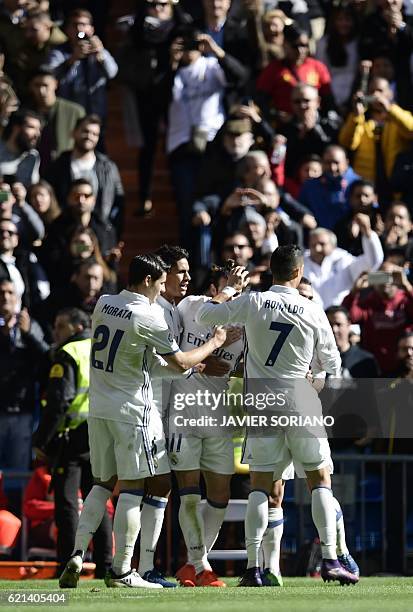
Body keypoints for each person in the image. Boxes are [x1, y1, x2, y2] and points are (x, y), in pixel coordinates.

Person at [58, 254, 228, 589]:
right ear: (148, 281)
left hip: (99, 409)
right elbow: (178, 363)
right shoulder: (148, 315)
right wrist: (214, 343)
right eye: (161, 282)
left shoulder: (104, 303)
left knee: (102, 483)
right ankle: (122, 571)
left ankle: (77, 552)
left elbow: (141, 358)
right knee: (133, 488)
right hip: (133, 411)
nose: (163, 288)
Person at [196, 245, 359, 586]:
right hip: (300, 398)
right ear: (299, 273)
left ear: (272, 271)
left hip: (261, 401)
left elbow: (205, 317)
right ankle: (330, 558)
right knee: (319, 481)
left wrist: (228, 290)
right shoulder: (311, 308)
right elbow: (333, 363)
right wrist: (315, 372)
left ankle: (253, 568)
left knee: (259, 486)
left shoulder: (253, 301)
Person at [171, 265, 243, 588]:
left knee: (220, 495)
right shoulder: (191, 306)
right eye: (230, 288)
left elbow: (225, 369)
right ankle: (202, 567)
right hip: (183, 413)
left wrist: (211, 359)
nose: (236, 296)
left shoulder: (241, 326)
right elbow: (204, 323)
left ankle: (191, 565)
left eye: (240, 292)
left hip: (218, 416)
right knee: (188, 494)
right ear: (214, 287)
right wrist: (209, 351)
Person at [33, 307, 113, 576]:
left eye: (60, 326)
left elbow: (58, 402)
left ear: (77, 328)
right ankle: (105, 565)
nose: (55, 332)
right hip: (103, 433)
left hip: (73, 439)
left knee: (67, 504)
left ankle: (66, 564)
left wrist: (40, 441)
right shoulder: (103, 349)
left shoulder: (68, 354)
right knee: (98, 500)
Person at [44, 115, 124, 235]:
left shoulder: (108, 167)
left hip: (99, 233)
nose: (89, 136)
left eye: (94, 134)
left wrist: (112, 230)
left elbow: (119, 202)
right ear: (74, 132)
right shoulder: (58, 165)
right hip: (63, 232)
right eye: (85, 131)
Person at [339, 77, 413, 204]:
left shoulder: (397, 118)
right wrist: (356, 115)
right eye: (372, 91)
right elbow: (347, 142)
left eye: (380, 91)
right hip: (367, 191)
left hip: (396, 188)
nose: (375, 95)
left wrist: (389, 109)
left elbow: (410, 129)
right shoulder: (362, 120)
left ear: (390, 93)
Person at [0, 278, 49, 470]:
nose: (5, 296)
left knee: (18, 471)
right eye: (1, 292)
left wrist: (28, 333)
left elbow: (47, 356)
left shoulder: (29, 324)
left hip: (23, 409)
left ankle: (16, 502)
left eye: (10, 292)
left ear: (17, 297)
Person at [44, 8, 118, 127]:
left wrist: (100, 54)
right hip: (69, 113)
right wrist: (73, 59)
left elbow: (112, 73)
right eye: (75, 25)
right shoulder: (58, 52)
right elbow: (50, 76)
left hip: (95, 112)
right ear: (67, 30)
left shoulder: (98, 49)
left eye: (83, 25)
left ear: (91, 29)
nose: (79, 29)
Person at [342, 262, 413, 375]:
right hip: (375, 369)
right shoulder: (369, 302)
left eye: (390, 276)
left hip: (404, 368)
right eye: (380, 276)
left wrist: (406, 285)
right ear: (374, 280)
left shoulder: (405, 300)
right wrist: (355, 291)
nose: (385, 282)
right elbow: (349, 316)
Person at [304, 218, 384, 308]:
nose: (317, 249)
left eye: (322, 244)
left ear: (333, 245)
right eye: (313, 245)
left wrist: (367, 232)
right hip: (311, 317)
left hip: (340, 316)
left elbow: (372, 262)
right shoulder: (301, 263)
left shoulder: (343, 260)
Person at [256, 24, 333, 118]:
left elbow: (328, 100)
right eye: (295, 46)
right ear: (285, 44)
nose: (300, 50)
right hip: (284, 125)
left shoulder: (318, 67)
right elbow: (260, 101)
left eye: (304, 46)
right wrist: (276, 115)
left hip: (313, 122)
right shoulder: (273, 69)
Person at [28, 69, 85, 173]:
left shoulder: (74, 112)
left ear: (55, 84)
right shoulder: (26, 112)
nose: (41, 90)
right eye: (37, 85)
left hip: (66, 168)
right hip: (34, 168)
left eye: (45, 85)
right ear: (31, 87)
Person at [280, 84, 340, 180]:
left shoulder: (331, 123)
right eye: (297, 102)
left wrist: (314, 130)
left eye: (307, 101)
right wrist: (300, 136)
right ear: (291, 103)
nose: (302, 105)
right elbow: (286, 162)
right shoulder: (285, 128)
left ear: (318, 102)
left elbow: (333, 152)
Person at [299, 145, 360, 231]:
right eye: (328, 163)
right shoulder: (310, 186)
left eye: (336, 162)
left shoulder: (358, 185)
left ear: (346, 163)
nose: (332, 167)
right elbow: (300, 209)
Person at [0, 109, 42, 188]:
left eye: (39, 129)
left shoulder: (32, 156)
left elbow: (32, 190)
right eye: (31, 127)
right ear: (16, 128)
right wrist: (3, 195)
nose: (37, 134)